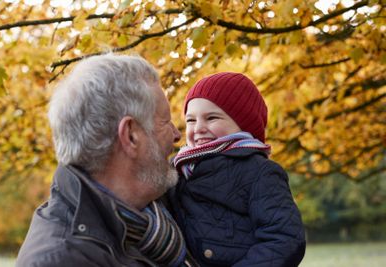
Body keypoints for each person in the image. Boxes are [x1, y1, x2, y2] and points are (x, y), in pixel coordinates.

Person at [16, 54, 199, 267]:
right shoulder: (61, 260)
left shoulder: (152, 217)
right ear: (131, 135)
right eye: (165, 122)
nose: (177, 135)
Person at [168, 72, 306, 266]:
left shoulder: (260, 172)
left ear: (243, 123)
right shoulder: (179, 168)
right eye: (191, 120)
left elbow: (284, 239)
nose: (198, 128)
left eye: (211, 118)